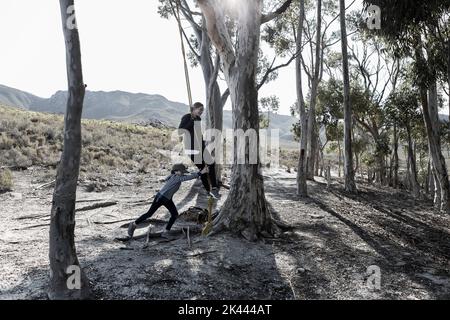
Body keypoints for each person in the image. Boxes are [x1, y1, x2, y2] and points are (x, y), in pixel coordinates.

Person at [127, 163, 208, 239]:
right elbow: (188, 177)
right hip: (161, 198)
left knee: (174, 214)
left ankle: (166, 232)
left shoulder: (174, 175)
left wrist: (199, 172)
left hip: (167, 199)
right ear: (176, 171)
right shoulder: (177, 177)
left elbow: (188, 175)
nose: (183, 173)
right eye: (182, 172)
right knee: (149, 214)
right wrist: (201, 173)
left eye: (183, 172)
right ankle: (134, 224)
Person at [178, 102, 220, 199]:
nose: (201, 112)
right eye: (200, 109)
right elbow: (180, 131)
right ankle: (208, 191)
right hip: (191, 148)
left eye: (202, 110)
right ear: (194, 108)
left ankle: (214, 187)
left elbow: (197, 134)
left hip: (200, 146)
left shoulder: (198, 119)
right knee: (203, 169)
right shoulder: (187, 117)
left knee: (211, 164)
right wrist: (191, 121)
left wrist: (204, 141)